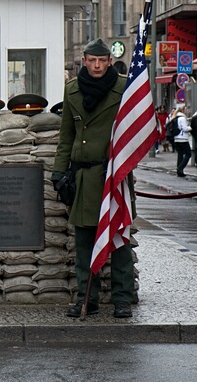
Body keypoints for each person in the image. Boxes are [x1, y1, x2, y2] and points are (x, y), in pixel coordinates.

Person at [52, 38, 135, 319]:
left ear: (109, 61)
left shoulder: (125, 88)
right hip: (84, 176)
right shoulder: (72, 89)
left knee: (119, 240)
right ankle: (87, 298)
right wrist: (59, 172)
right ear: (84, 61)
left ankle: (122, 299)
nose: (97, 65)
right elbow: (67, 137)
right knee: (86, 240)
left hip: (114, 174)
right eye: (92, 60)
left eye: (102, 61)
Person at [170, 106, 192, 177]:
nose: (187, 110)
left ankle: (179, 171)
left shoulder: (176, 117)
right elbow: (185, 128)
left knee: (180, 154)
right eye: (186, 109)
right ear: (182, 110)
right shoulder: (182, 118)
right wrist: (190, 128)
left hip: (176, 138)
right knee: (188, 154)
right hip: (183, 138)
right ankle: (180, 168)